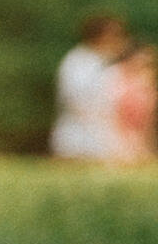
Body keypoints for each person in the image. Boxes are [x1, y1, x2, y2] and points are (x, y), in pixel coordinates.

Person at [52, 12, 131, 160]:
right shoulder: (77, 62)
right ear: (102, 36)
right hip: (78, 137)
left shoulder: (108, 63)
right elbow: (76, 101)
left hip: (106, 137)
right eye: (115, 35)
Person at [111, 43, 156, 164]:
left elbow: (146, 121)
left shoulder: (145, 83)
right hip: (114, 137)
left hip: (137, 138)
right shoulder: (114, 79)